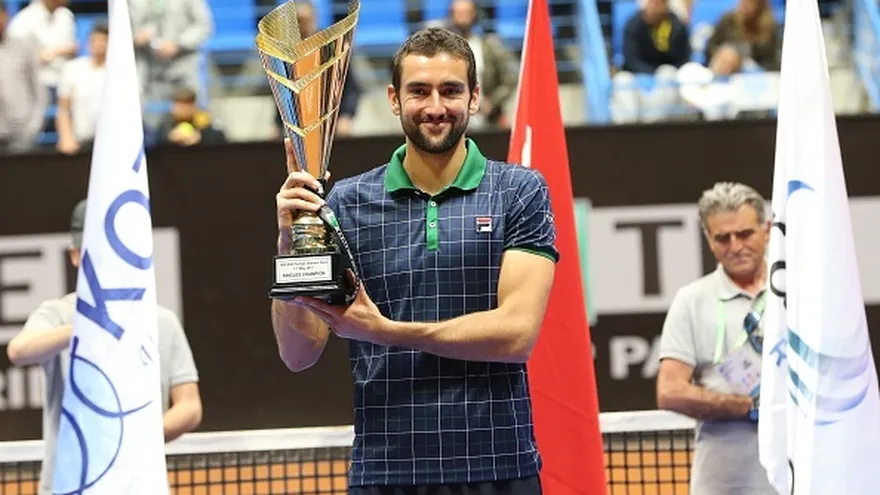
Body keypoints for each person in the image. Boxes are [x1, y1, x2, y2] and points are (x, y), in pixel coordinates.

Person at [271, 27, 557, 495]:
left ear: (475, 97)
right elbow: (298, 354)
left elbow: (517, 335)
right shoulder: (345, 202)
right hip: (387, 471)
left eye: (451, 90)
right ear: (394, 98)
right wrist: (290, 240)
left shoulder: (519, 191)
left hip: (498, 466)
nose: (436, 106)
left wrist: (385, 332)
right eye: (419, 91)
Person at [6, 199, 203, 495]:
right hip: (69, 484)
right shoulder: (57, 313)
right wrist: (82, 329)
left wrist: (134, 437)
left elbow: (189, 405)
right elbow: (19, 351)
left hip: (140, 484)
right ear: (75, 254)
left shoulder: (162, 321)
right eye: (96, 248)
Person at [656, 182, 776, 494]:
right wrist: (747, 407)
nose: (735, 246)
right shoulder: (691, 300)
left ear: (767, 229)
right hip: (724, 483)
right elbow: (669, 391)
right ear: (709, 240)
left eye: (745, 233)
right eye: (723, 237)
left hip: (801, 477)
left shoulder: (798, 292)